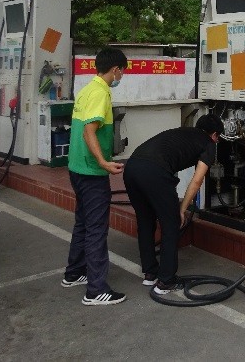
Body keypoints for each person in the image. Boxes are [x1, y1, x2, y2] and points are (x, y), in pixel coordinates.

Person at [123, 113, 223, 295]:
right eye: (218, 138)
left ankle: (150, 273)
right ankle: (166, 281)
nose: (217, 141)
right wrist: (182, 209)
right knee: (171, 224)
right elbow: (197, 180)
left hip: (132, 167)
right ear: (215, 134)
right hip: (155, 171)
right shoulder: (209, 143)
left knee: (145, 221)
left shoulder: (183, 132)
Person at [62, 47, 128, 306]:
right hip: (92, 171)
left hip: (76, 167)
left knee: (83, 223)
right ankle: (96, 290)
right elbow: (89, 131)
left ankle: (74, 272)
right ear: (116, 69)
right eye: (122, 71)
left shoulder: (87, 89)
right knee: (96, 229)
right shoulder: (101, 93)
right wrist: (104, 162)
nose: (121, 76)